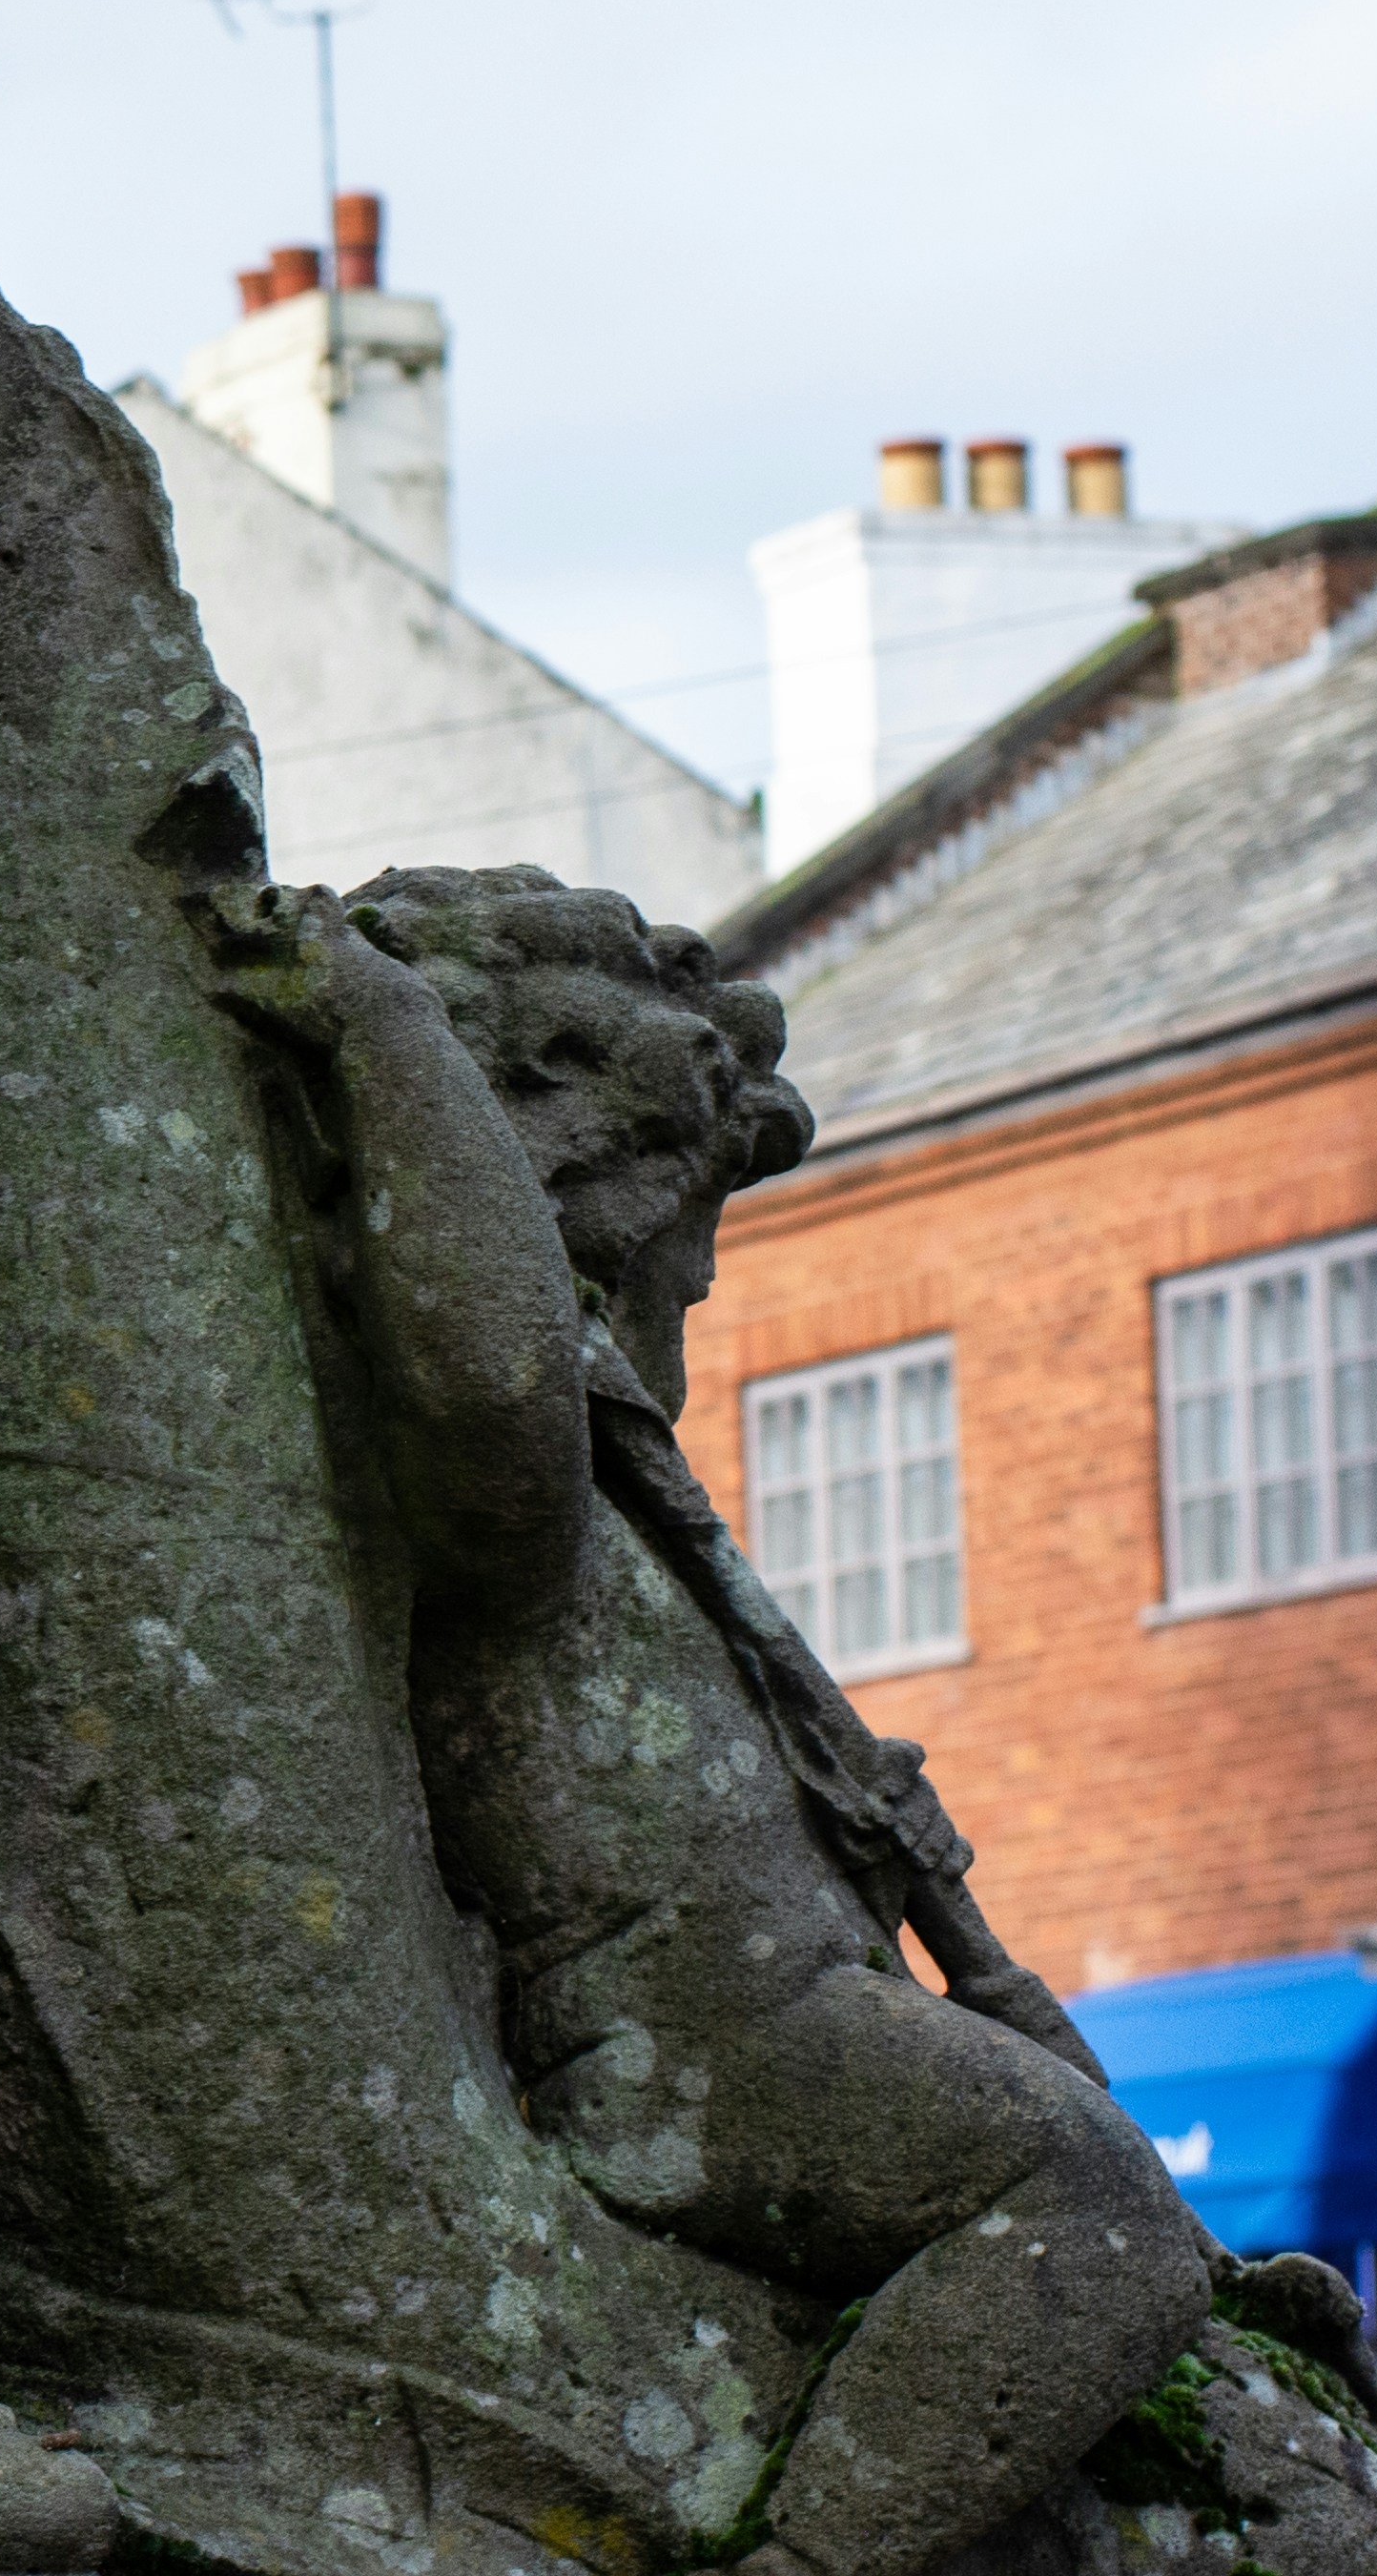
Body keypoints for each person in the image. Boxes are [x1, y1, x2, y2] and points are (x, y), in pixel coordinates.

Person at [207, 866, 1204, 2576]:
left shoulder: (621, 1470)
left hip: (782, 2011)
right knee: (1101, 2220)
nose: (691, 1293)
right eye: (689, 1248)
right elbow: (491, 1380)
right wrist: (387, 1031)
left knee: (1127, 2203)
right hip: (692, 2048)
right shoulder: (513, 1452)